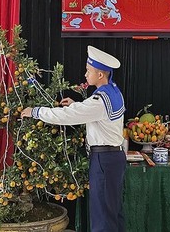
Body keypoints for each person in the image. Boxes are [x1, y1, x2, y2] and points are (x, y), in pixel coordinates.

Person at [20, 46, 126, 232]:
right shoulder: (113, 91)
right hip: (113, 158)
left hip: (103, 160)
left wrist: (35, 112)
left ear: (100, 75)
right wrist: (77, 105)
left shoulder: (100, 100)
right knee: (111, 212)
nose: (85, 74)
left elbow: (67, 116)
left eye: (88, 70)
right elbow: (95, 114)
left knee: (102, 216)